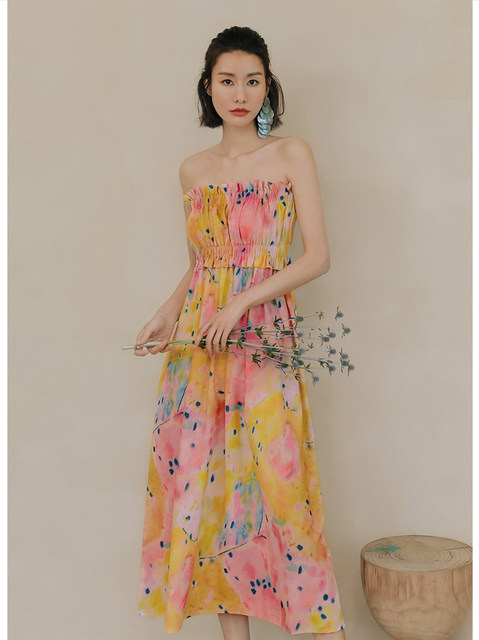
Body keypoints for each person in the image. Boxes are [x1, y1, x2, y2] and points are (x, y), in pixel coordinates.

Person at [134, 25, 347, 639]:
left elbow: (316, 257)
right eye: (227, 81)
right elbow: (204, 265)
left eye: (253, 81)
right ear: (208, 87)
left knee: (283, 491)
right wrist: (168, 311)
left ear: (267, 86)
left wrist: (242, 304)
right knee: (216, 493)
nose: (240, 93)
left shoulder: (291, 154)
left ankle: (326, 630)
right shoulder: (192, 170)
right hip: (200, 346)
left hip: (263, 339)